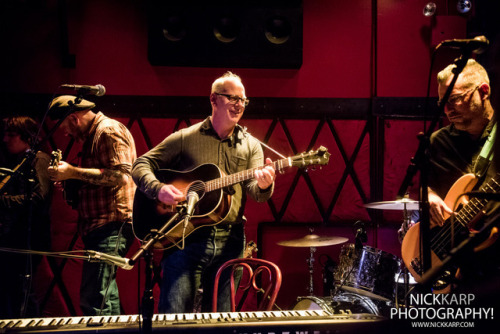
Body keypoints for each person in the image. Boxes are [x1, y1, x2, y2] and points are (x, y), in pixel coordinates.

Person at [131, 71, 276, 313]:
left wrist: (264, 184)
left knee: (220, 326)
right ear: (213, 99)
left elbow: (255, 193)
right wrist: (158, 190)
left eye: (243, 100)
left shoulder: (252, 145)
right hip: (186, 239)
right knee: (173, 321)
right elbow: (140, 164)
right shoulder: (186, 138)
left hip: (230, 241)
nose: (239, 105)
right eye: (232, 98)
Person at [399, 59, 499, 292]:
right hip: (453, 270)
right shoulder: (438, 142)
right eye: (442, 102)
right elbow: (421, 188)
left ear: (483, 91)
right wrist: (428, 195)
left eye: (454, 100)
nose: (446, 110)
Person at [47, 95, 136, 316]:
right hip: (101, 226)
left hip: (112, 225)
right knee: (105, 295)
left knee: (95, 298)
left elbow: (121, 177)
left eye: (64, 127)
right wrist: (73, 182)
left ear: (74, 118)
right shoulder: (93, 136)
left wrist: (73, 172)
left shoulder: (107, 131)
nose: (65, 134)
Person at [0, 116, 52, 318]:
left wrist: (4, 201)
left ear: (28, 138)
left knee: (23, 291)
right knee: (11, 291)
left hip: (28, 238)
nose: (5, 139)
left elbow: (39, 197)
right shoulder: (19, 162)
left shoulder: (40, 160)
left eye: (11, 135)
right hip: (14, 236)